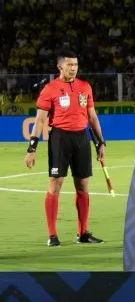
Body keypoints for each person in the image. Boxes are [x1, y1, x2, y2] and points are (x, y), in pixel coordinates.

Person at [23, 49, 107, 246]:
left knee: (83, 185)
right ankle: (52, 235)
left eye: (76, 65)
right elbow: (40, 120)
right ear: (60, 66)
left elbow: (92, 117)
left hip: (81, 138)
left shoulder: (85, 87)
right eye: (70, 65)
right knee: (55, 183)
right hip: (60, 138)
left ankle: (83, 233)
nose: (74, 68)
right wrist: (32, 148)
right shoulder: (50, 89)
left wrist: (100, 143)